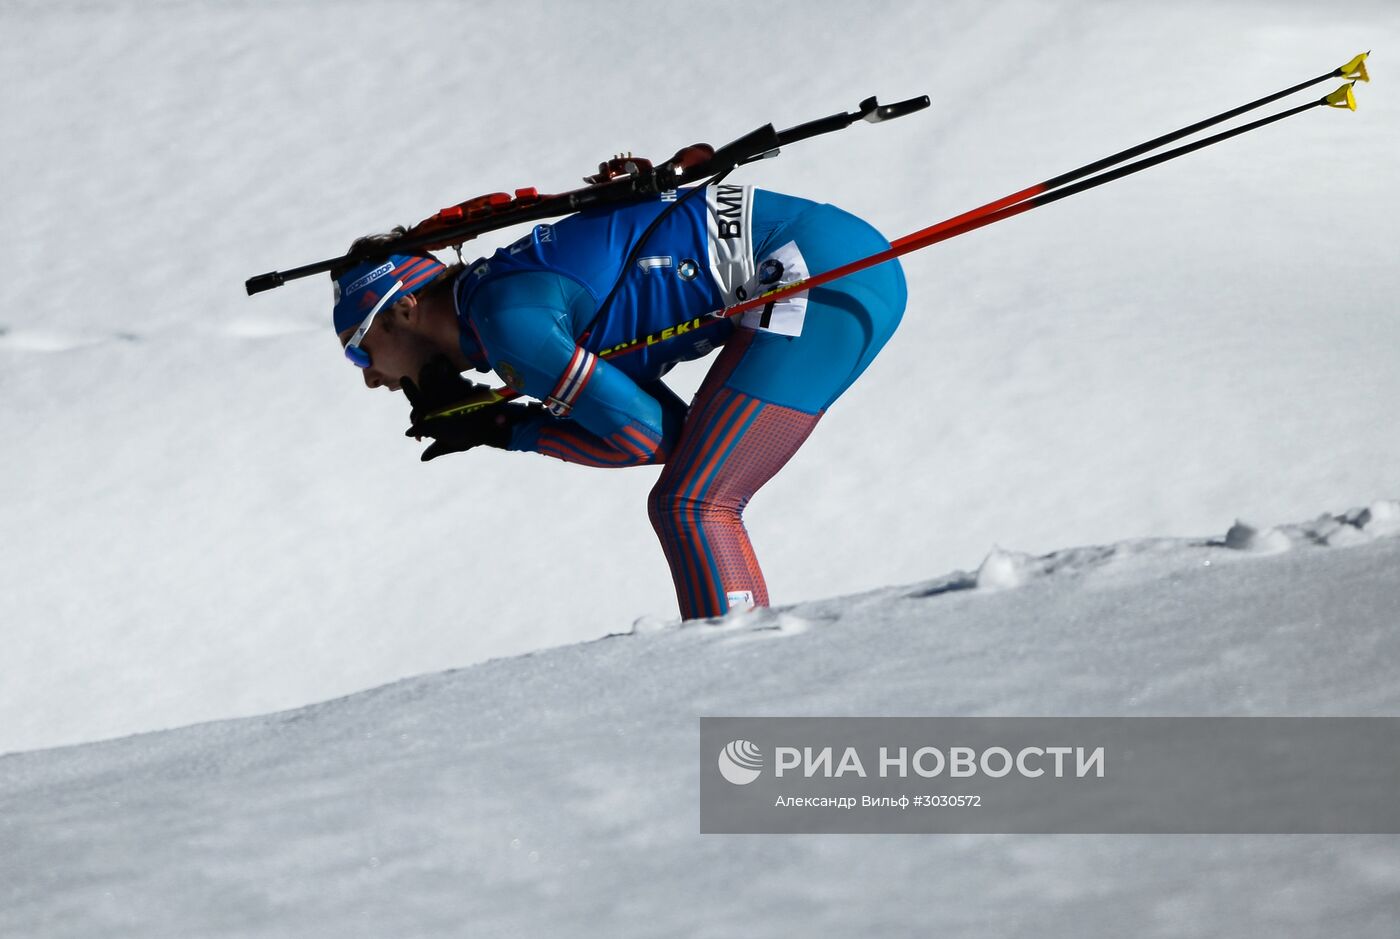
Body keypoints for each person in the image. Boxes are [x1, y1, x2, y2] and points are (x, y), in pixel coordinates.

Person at [331, 183, 906, 620]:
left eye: (360, 352)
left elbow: (652, 440)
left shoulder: (508, 322)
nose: (370, 380)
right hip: (831, 262)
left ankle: (743, 682)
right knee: (693, 495)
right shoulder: (499, 303)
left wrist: (509, 429)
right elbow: (672, 435)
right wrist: (504, 424)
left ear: (405, 310)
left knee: (694, 504)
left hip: (821, 271)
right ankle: (746, 675)